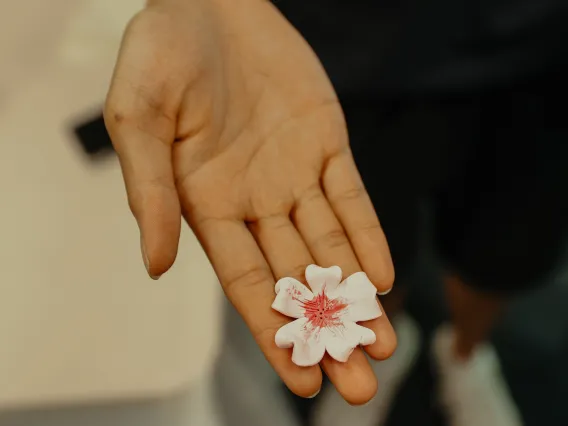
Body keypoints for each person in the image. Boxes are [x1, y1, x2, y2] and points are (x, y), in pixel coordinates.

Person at [104, 0, 568, 425]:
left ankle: (467, 355)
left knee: (503, 253)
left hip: (537, 46)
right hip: (341, 53)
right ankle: (387, 351)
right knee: (367, 248)